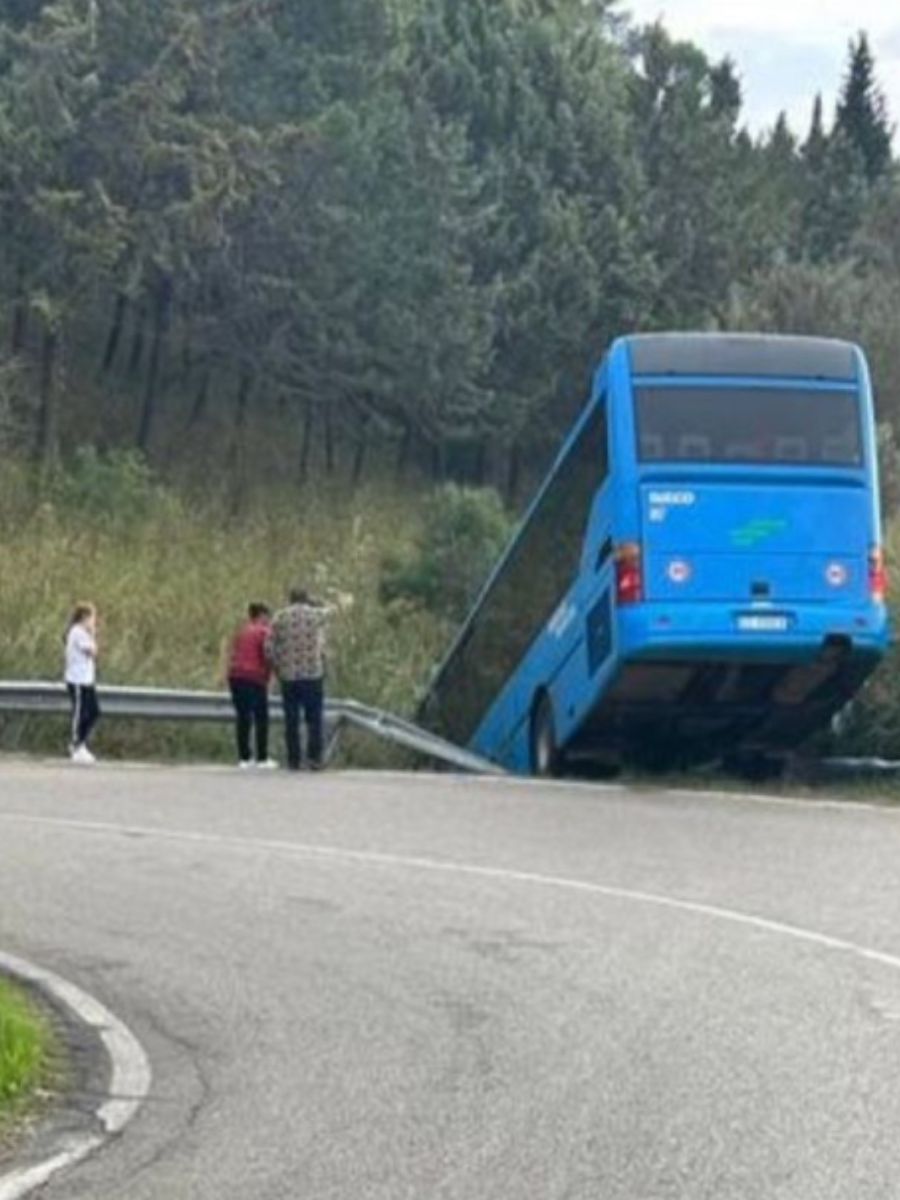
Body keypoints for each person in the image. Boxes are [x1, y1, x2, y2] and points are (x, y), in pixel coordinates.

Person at [266, 588, 334, 771]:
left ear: (290, 599)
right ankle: (314, 758)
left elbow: (268, 648)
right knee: (314, 719)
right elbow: (333, 610)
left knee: (291, 719)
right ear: (306, 598)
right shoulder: (316, 615)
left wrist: (278, 666)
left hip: (289, 676)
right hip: (313, 674)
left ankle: (293, 760)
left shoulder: (280, 617)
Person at [225, 603, 276, 770]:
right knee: (261, 717)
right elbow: (268, 654)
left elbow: (233, 653)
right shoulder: (264, 632)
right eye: (267, 616)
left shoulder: (241, 631)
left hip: (236, 676)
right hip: (254, 677)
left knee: (243, 717)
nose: (268, 620)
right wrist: (272, 674)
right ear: (261, 615)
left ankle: (244, 758)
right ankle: (262, 758)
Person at [64, 603, 101, 765]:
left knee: (94, 711)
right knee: (80, 713)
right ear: (84, 618)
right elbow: (92, 652)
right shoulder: (78, 632)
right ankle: (76, 744)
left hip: (87, 679)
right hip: (77, 680)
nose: (94, 621)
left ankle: (82, 743)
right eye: (92, 618)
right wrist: (92, 634)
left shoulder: (83, 633)